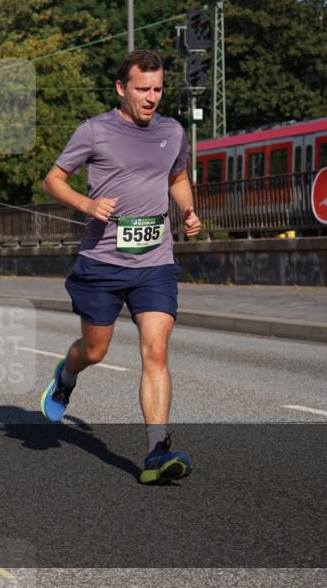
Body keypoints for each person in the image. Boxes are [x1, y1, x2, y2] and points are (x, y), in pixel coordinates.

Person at [40, 50, 201, 485]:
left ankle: (156, 451)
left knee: (156, 351)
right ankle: (66, 375)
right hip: (102, 262)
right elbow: (53, 179)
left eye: (159, 89)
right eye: (143, 89)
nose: (152, 98)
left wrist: (186, 209)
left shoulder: (172, 130)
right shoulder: (95, 130)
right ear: (121, 88)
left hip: (155, 262)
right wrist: (87, 203)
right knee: (95, 351)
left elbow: (178, 178)